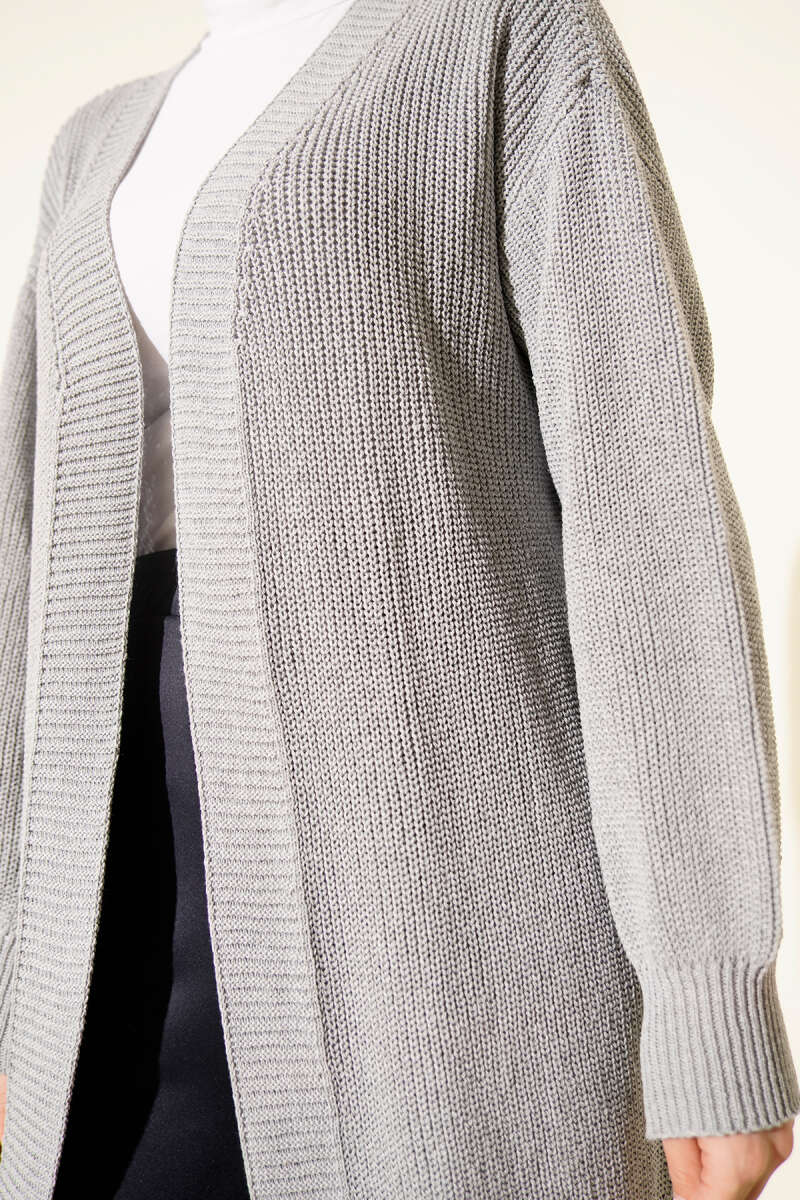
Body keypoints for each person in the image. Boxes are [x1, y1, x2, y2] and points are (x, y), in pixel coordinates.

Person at [0, 1, 798, 1198]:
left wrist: (706, 994)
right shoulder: (94, 141)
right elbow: (21, 562)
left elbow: (645, 514)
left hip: (442, 935)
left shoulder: (500, 35)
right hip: (115, 922)